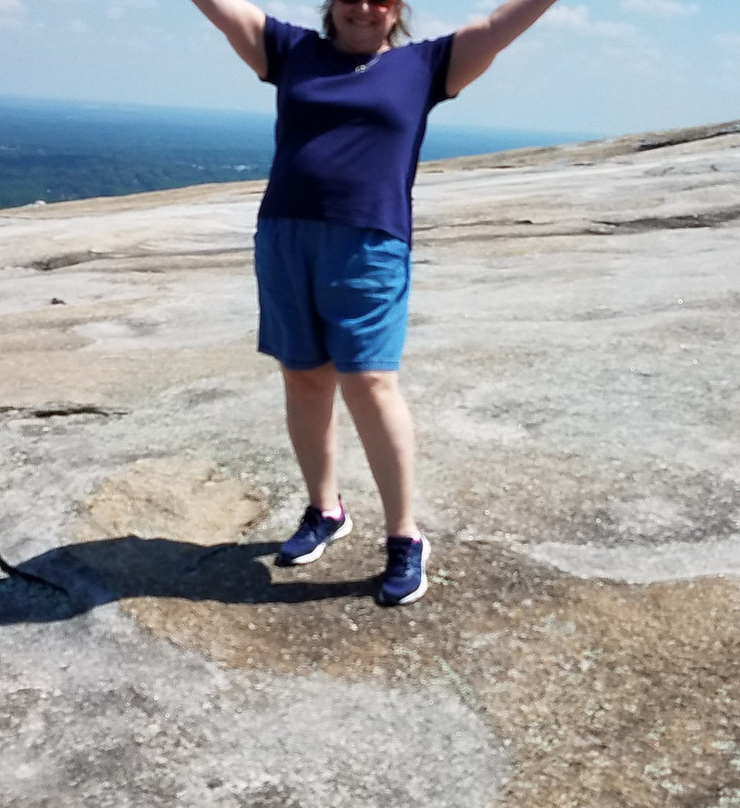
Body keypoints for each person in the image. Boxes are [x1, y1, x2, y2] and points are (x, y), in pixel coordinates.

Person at [189, 0, 559, 606]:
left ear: (398, 8)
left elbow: (496, 28)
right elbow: (225, 10)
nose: (364, 7)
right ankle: (325, 509)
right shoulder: (289, 50)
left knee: (369, 382)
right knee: (304, 379)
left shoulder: (428, 65)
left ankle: (404, 537)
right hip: (286, 234)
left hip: (369, 244)